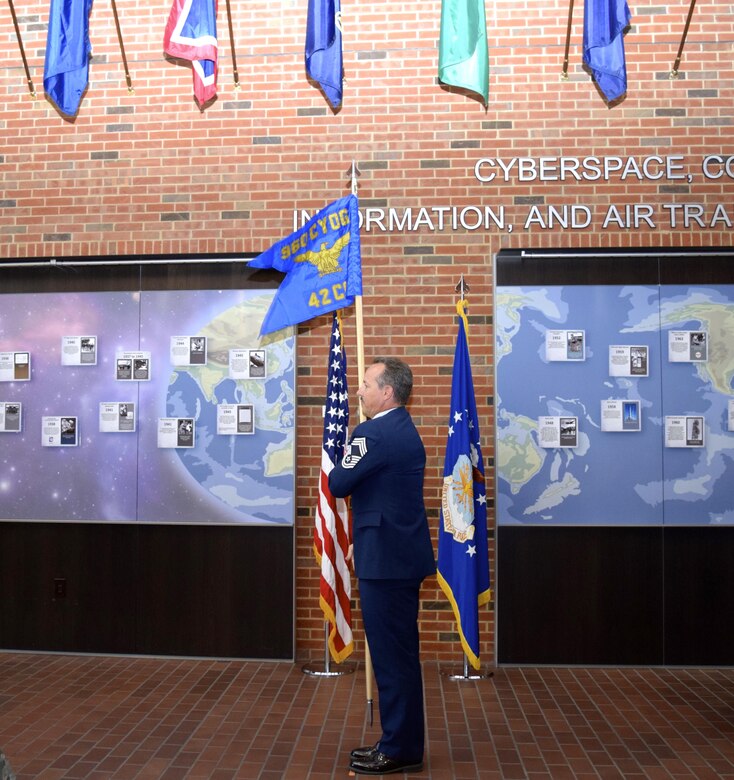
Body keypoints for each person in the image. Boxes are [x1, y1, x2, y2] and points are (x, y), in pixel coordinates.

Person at [329, 357, 435, 776]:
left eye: (367, 383)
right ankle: (401, 742)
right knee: (400, 656)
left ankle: (398, 749)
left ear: (387, 392)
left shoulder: (373, 433)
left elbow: (339, 482)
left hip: (387, 563)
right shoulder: (403, 429)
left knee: (392, 658)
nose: (359, 390)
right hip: (397, 556)